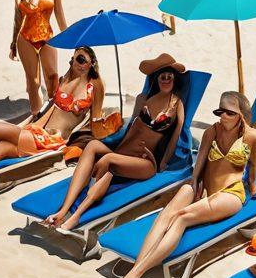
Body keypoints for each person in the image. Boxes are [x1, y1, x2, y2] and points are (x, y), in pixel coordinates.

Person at [102, 91, 256, 278]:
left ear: (242, 115)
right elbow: (199, 167)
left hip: (231, 194)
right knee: (168, 212)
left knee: (181, 217)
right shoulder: (211, 132)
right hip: (206, 190)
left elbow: (252, 173)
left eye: (229, 113)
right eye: (219, 111)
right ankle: (137, 268)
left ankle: (133, 276)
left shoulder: (253, 137)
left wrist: (253, 189)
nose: (222, 116)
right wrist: (195, 183)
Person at [42, 53, 186, 231]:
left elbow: (176, 136)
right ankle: (64, 209)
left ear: (174, 79)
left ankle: (76, 215)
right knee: (93, 145)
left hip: (146, 163)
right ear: (156, 78)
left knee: (107, 161)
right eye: (162, 76)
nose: (165, 80)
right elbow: (131, 128)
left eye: (169, 77)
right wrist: (113, 138)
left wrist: (163, 163)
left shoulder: (177, 104)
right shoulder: (144, 99)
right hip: (123, 153)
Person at [0, 47, 104, 177]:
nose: (74, 63)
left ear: (92, 63)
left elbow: (95, 121)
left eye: (80, 59)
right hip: (36, 132)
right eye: (73, 59)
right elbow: (50, 109)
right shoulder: (65, 79)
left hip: (49, 139)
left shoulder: (95, 86)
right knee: (3, 147)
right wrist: (26, 123)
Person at [9, 0, 68, 116]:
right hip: (25, 38)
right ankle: (36, 114)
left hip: (48, 37)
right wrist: (13, 43)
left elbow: (59, 14)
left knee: (53, 76)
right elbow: (18, 16)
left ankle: (54, 112)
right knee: (33, 82)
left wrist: (70, 38)